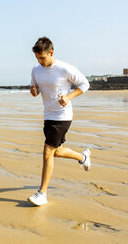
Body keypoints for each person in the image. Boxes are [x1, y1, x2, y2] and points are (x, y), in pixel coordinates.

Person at [28, 36, 91, 206]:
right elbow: (36, 91)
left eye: (42, 57)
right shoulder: (36, 70)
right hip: (48, 116)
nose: (40, 61)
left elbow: (85, 84)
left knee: (47, 152)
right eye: (37, 58)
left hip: (62, 117)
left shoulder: (64, 68)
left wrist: (69, 97)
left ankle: (42, 193)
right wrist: (33, 91)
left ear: (51, 52)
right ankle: (83, 157)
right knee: (56, 151)